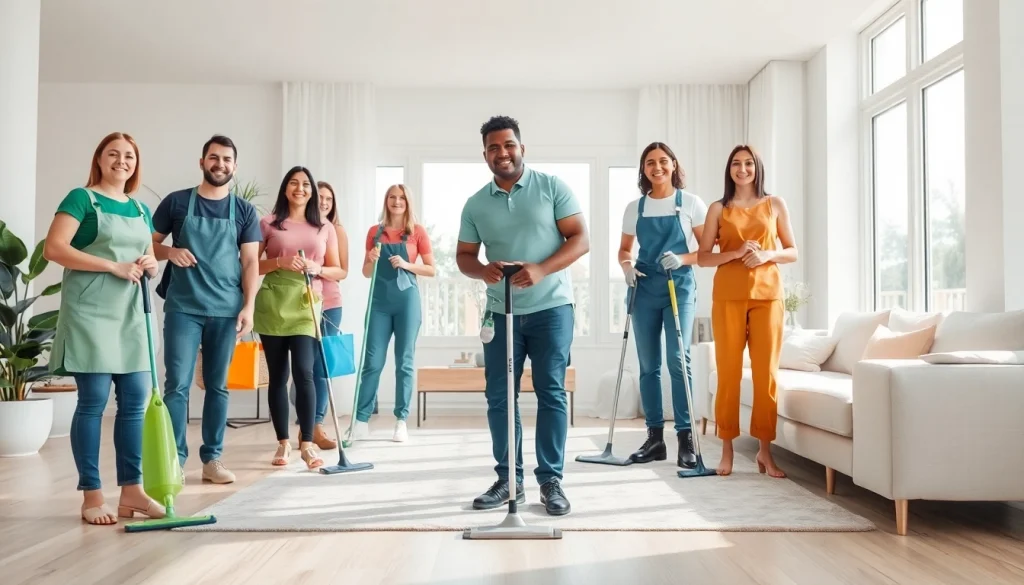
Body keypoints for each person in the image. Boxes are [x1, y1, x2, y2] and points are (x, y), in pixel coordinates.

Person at [456, 115, 589, 516]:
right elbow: (464, 256)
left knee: (551, 391)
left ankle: (551, 481)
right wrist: (483, 271)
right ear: (485, 155)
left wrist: (542, 269)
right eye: (494, 147)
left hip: (552, 309)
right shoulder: (475, 203)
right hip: (501, 312)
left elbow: (580, 239)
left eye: (509, 144)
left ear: (522, 148)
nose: (503, 153)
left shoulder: (552, 187)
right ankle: (509, 480)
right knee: (500, 396)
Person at [44, 132, 166, 525]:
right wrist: (112, 265)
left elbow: (147, 255)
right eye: (113, 153)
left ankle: (132, 492)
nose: (121, 161)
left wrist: (151, 264)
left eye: (129, 155)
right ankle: (92, 494)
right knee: (93, 401)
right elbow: (54, 248)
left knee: (134, 402)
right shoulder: (82, 199)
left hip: (133, 314)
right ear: (99, 159)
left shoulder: (141, 208)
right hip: (91, 313)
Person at [151, 135, 261, 485]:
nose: (220, 164)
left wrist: (249, 306)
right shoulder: (176, 202)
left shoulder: (244, 211)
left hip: (226, 310)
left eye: (227, 159)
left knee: (217, 386)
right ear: (202, 162)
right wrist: (170, 252)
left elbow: (250, 262)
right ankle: (174, 461)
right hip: (183, 307)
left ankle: (212, 459)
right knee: (176, 386)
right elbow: (148, 244)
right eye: (214, 158)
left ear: (235, 167)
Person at [696, 144, 798, 478]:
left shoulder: (775, 204)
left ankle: (765, 452)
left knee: (766, 375)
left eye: (749, 163)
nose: (742, 169)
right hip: (728, 296)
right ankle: (726, 450)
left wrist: (767, 255)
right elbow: (704, 257)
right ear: (729, 170)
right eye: (736, 164)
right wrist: (736, 253)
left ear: (757, 168)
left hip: (768, 297)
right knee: (728, 374)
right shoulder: (718, 209)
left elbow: (792, 251)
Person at [618, 141, 707, 468]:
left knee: (678, 359)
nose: (657, 167)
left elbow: (707, 251)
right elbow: (624, 250)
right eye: (650, 162)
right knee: (648, 365)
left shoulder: (691, 203)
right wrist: (627, 268)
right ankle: (655, 439)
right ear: (643, 169)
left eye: (663, 161)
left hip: (678, 286)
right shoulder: (635, 208)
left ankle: (686, 439)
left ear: (673, 165)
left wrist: (682, 258)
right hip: (644, 287)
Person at [253, 166, 339, 470]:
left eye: (305, 184)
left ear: (312, 191)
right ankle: (283, 442)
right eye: (293, 183)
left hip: (306, 304)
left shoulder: (324, 226)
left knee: (304, 372)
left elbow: (337, 270)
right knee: (277, 377)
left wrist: (318, 269)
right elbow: (250, 265)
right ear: (285, 188)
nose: (299, 188)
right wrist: (280, 261)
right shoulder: (268, 223)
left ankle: (307, 443)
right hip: (273, 303)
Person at [348, 184, 435, 443]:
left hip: (407, 303)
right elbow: (366, 273)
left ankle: (401, 421)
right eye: (392, 197)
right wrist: (371, 259)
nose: (397, 202)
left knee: (404, 362)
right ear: (386, 201)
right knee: (372, 362)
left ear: (408, 202)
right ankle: (361, 421)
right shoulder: (374, 233)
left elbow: (431, 269)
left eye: (402, 198)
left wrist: (407, 264)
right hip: (379, 304)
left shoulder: (417, 232)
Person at [309, 180, 349, 449]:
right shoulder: (302, 227)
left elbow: (342, 271)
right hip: (302, 303)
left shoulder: (337, 230)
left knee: (322, 366)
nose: (324, 202)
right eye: (320, 197)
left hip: (330, 304)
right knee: (304, 367)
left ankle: (317, 425)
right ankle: (307, 421)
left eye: (329, 199)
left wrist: (318, 269)